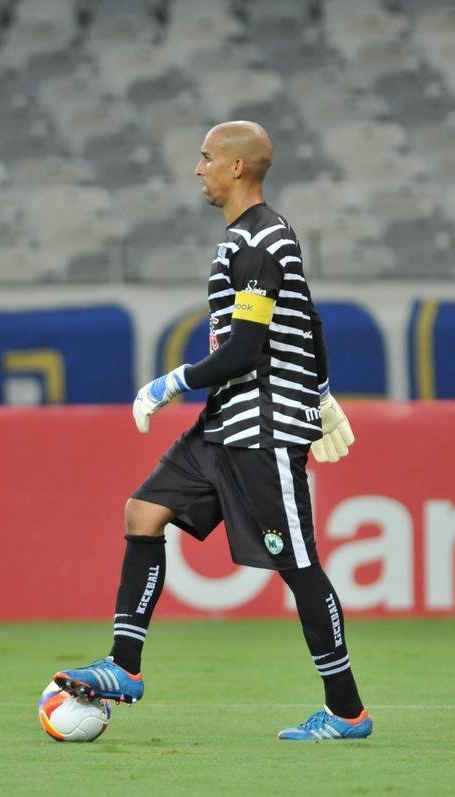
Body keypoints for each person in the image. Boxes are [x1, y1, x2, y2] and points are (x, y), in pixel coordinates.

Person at [54, 120, 369, 741]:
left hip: (265, 422)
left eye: (205, 158)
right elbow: (309, 315)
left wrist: (169, 382)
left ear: (236, 169)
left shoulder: (259, 240)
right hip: (226, 419)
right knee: (143, 511)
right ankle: (124, 667)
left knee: (298, 564)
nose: (197, 169)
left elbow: (244, 349)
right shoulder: (250, 240)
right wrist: (326, 392)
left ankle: (347, 711)